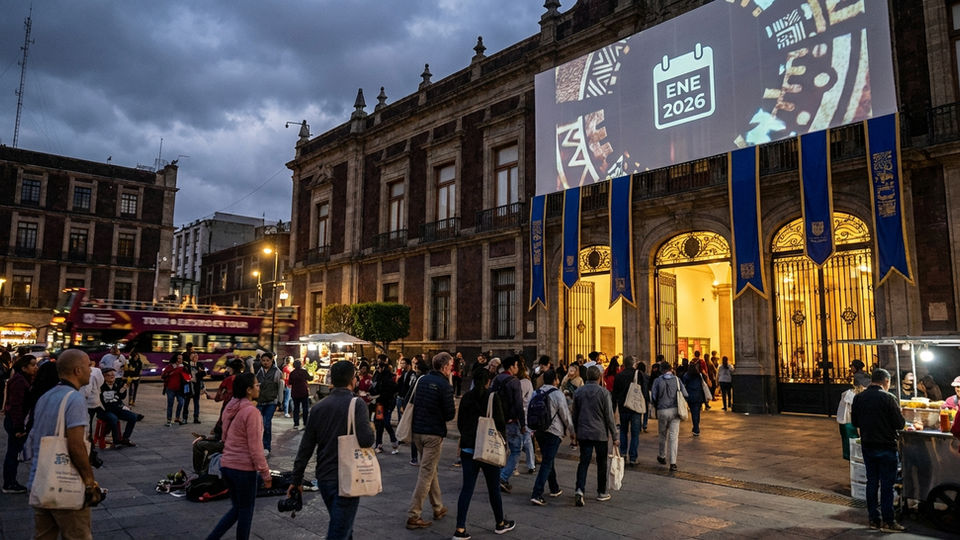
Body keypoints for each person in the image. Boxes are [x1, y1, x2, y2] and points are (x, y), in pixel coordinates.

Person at [288, 361, 373, 539]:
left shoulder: (318, 407)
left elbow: (306, 447)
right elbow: (366, 441)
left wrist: (296, 480)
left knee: (343, 526)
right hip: (347, 477)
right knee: (339, 531)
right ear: (353, 380)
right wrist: (370, 428)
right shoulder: (357, 404)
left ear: (331, 381)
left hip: (325, 476)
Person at [27, 349, 102, 539]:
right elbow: (76, 445)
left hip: (41, 481)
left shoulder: (46, 396)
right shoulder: (74, 399)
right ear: (77, 370)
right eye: (87, 366)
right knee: (78, 535)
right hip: (64, 485)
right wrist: (89, 481)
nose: (91, 370)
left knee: (44, 536)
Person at [206, 373, 272, 540]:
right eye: (256, 385)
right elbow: (256, 448)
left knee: (237, 508)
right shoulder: (251, 412)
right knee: (245, 510)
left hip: (226, 465)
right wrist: (265, 473)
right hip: (243, 469)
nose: (259, 387)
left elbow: (224, 437)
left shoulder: (231, 407)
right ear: (248, 390)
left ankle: (212, 537)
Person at [453, 367, 516, 539]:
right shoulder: (492, 397)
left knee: (467, 489)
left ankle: (460, 529)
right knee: (493, 489)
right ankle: (500, 523)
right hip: (488, 450)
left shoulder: (466, 397)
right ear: (489, 381)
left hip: (468, 449)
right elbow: (501, 423)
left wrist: (467, 436)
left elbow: (460, 423)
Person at [850, 369, 906, 532]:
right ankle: (889, 521)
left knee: (872, 482)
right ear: (886, 381)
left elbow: (855, 422)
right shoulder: (888, 398)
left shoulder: (859, 397)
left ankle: (874, 519)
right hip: (886, 446)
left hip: (868, 445)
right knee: (887, 485)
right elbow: (899, 424)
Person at [406, 352, 456, 530]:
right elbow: (450, 414)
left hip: (417, 432)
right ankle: (414, 514)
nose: (452, 369)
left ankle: (438, 507)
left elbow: (407, 401)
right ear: (444, 367)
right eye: (450, 366)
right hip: (433, 434)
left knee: (430, 469)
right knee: (426, 473)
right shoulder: (444, 385)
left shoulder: (421, 380)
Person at [571, 365, 617, 506]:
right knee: (601, 463)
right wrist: (614, 435)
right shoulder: (604, 393)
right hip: (600, 433)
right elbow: (609, 416)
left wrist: (576, 431)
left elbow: (575, 414)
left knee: (583, 462)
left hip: (584, 432)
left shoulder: (579, 392)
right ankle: (601, 491)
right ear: (599, 377)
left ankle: (579, 489)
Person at [529, 369, 575, 506]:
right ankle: (537, 493)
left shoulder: (535, 392)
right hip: (553, 431)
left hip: (539, 430)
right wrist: (572, 431)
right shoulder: (557, 394)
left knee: (548, 459)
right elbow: (565, 415)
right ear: (555, 380)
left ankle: (554, 488)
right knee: (547, 462)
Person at [3, 354, 37, 493]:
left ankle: (10, 482)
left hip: (16, 420)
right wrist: (18, 427)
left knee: (13, 452)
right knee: (13, 453)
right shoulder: (19, 381)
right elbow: (16, 405)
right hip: (15, 421)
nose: (36, 367)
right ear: (24, 367)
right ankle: (9, 483)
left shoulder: (23, 379)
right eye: (33, 365)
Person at [492, 356, 525, 492]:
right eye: (517, 365)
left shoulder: (496, 379)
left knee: (500, 450)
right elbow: (518, 404)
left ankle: (498, 477)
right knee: (516, 450)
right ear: (512, 366)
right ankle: (503, 477)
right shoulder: (514, 381)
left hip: (498, 420)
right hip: (511, 421)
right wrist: (523, 424)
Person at [651, 361, 688, 472]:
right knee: (673, 437)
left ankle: (662, 455)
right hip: (675, 410)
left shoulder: (657, 381)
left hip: (662, 410)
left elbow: (653, 396)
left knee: (662, 434)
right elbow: (685, 394)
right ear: (671, 369)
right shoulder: (677, 380)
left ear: (661, 370)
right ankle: (673, 462)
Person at [97, 368, 143, 447]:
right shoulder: (100, 386)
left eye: (113, 375)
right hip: (105, 411)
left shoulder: (117, 384)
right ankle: (116, 441)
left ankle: (125, 438)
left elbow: (121, 397)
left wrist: (123, 389)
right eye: (109, 375)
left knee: (133, 417)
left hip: (117, 409)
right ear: (104, 377)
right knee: (113, 418)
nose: (112, 377)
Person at [611, 356, 643, 465]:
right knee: (635, 433)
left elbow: (614, 393)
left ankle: (623, 454)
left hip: (623, 407)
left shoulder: (619, 375)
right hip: (635, 408)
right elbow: (643, 391)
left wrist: (613, 407)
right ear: (634, 364)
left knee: (623, 431)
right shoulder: (639, 374)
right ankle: (633, 458)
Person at [255, 352, 283, 457]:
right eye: (263, 360)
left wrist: (280, 402)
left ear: (272, 361)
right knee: (259, 424)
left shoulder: (277, 372)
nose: (265, 362)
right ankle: (259, 445)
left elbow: (281, 387)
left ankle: (266, 446)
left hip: (272, 402)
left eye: (268, 360)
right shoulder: (260, 372)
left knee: (266, 423)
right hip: (260, 401)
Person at [372, 359, 399, 454]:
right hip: (379, 404)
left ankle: (394, 441)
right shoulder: (377, 376)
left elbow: (392, 390)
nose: (377, 369)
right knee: (379, 423)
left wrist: (378, 395)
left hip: (388, 404)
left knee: (386, 422)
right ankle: (378, 444)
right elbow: (373, 388)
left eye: (379, 367)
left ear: (383, 368)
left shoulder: (389, 378)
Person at [516, 360, 536, 475]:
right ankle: (531, 464)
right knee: (527, 440)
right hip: (526, 413)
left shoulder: (518, 382)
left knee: (518, 440)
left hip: (519, 414)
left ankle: (515, 465)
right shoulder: (527, 382)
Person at [836, 381, 864, 460]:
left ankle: (850, 457)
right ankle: (853, 458)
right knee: (853, 443)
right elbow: (854, 412)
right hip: (850, 424)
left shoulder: (847, 394)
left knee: (848, 443)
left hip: (844, 422)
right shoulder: (852, 397)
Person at [161, 352, 187, 426]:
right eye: (179, 358)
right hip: (170, 388)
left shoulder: (184, 367)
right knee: (170, 404)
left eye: (181, 359)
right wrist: (170, 373)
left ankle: (177, 417)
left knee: (181, 402)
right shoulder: (170, 367)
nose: (180, 360)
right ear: (175, 359)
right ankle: (169, 420)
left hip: (180, 389)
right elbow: (163, 376)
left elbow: (188, 376)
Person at [682, 364, 707, 436]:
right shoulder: (699, 375)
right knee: (697, 412)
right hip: (699, 395)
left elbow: (684, 385)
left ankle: (696, 428)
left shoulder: (686, 375)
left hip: (691, 395)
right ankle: (696, 427)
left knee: (694, 412)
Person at [182, 351, 206, 424]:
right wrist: (189, 379)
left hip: (197, 385)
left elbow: (203, 374)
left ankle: (196, 418)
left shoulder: (200, 364)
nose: (196, 357)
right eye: (194, 356)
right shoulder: (186, 365)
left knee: (196, 402)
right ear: (190, 357)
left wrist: (200, 372)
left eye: (197, 356)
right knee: (186, 402)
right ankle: (185, 418)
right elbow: (184, 375)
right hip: (188, 386)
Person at [288, 360, 311, 429]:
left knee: (296, 408)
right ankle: (305, 423)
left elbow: (290, 382)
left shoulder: (292, 373)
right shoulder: (304, 372)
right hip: (304, 392)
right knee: (305, 408)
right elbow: (309, 378)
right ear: (301, 365)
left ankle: (296, 424)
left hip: (295, 393)